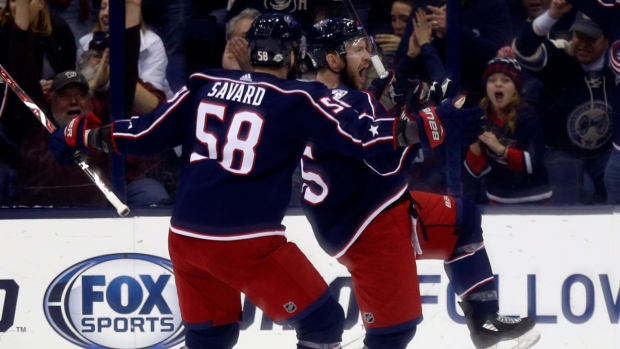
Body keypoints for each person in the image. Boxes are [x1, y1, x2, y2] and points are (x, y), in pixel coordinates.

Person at [48, 12, 429, 349]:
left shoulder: (204, 83)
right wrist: (417, 127)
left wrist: (81, 135)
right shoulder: (298, 96)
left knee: (212, 336)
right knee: (323, 322)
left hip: (185, 239)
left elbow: (144, 133)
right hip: (245, 243)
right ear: (292, 54)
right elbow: (359, 135)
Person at [304, 17, 540, 349]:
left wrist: (388, 92)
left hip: (376, 203)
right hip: (366, 225)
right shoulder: (349, 102)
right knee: (394, 332)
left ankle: (485, 322)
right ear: (333, 59)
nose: (366, 56)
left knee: (463, 219)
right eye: (358, 50)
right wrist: (435, 125)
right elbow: (385, 160)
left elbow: (363, 124)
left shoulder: (316, 97)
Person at [513, 0, 618, 204]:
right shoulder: (560, 53)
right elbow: (523, 50)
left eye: (592, 38)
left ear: (607, 41)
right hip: (560, 152)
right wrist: (551, 15)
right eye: (579, 36)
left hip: (603, 154)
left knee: (614, 178)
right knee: (579, 191)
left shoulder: (616, 62)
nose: (583, 44)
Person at [464, 54, 552, 204]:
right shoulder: (481, 117)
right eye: (492, 80)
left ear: (516, 89)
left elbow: (534, 163)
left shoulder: (527, 117)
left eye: (505, 80)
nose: (498, 84)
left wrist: (500, 149)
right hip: (498, 199)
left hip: (535, 199)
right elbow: (474, 171)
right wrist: (474, 141)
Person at [77, 0, 174, 98]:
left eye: (114, 8)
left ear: (132, 15)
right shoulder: (85, 43)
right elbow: (79, 87)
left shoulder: (152, 42)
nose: (106, 13)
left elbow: (152, 92)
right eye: (103, 7)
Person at [374, 0, 413, 69]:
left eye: (404, 20)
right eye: (393, 19)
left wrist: (405, 47)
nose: (397, 26)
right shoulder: (387, 48)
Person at [221, 7, 259, 71]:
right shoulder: (210, 76)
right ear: (229, 41)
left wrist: (250, 71)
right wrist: (229, 71)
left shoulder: (275, 79)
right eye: (244, 37)